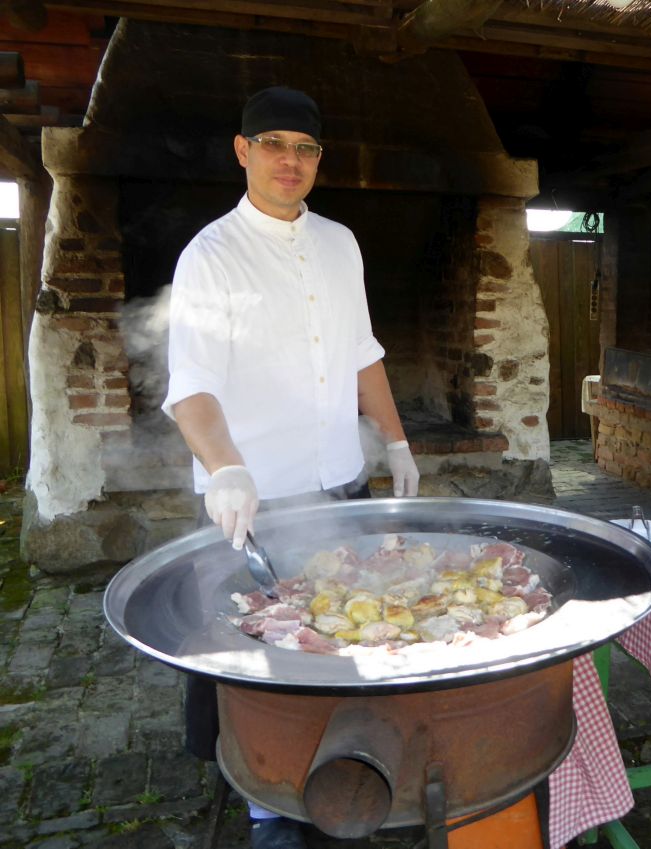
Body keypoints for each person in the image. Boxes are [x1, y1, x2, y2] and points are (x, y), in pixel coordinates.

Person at [162, 86, 420, 849]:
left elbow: (362, 353)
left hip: (339, 484)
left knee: (343, 633)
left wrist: (396, 442)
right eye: (272, 143)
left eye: (304, 147)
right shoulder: (211, 254)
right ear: (242, 151)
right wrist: (225, 467)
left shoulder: (341, 242)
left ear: (318, 160)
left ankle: (348, 767)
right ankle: (267, 801)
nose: (289, 159)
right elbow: (191, 385)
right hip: (254, 497)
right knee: (256, 655)